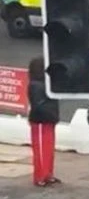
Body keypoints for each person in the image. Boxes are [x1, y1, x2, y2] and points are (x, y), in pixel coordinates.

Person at [25, 57, 59, 187]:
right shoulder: (36, 85)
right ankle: (40, 176)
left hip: (48, 120)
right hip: (40, 120)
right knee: (40, 150)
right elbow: (38, 105)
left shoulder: (43, 84)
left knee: (48, 150)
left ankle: (48, 174)